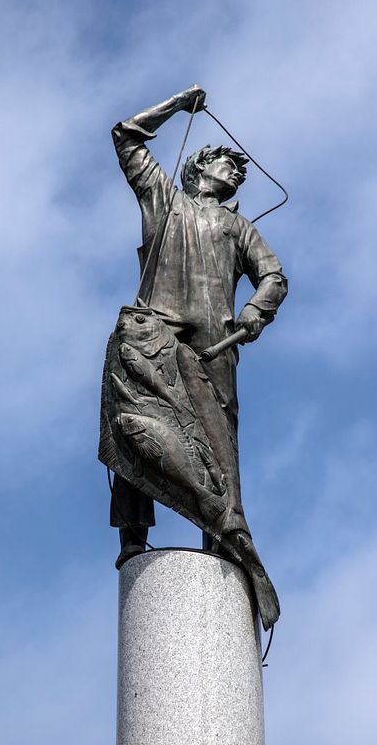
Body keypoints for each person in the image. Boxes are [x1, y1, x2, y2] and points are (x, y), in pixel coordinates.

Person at [109, 85, 288, 567]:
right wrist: (174, 104)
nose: (235, 171)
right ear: (198, 167)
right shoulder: (163, 200)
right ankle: (132, 533)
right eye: (224, 163)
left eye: (238, 171)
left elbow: (273, 276)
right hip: (159, 327)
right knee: (137, 420)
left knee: (219, 436)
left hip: (217, 336)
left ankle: (222, 537)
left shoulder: (238, 226)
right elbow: (126, 138)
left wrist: (256, 312)